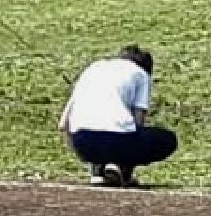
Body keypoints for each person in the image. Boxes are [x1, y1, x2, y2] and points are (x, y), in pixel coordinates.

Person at [59, 45, 178, 187]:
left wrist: (82, 153)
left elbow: (63, 124)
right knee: (167, 139)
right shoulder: (141, 74)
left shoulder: (93, 68)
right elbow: (138, 122)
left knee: (106, 132)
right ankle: (122, 169)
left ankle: (98, 170)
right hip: (117, 140)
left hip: (82, 141)